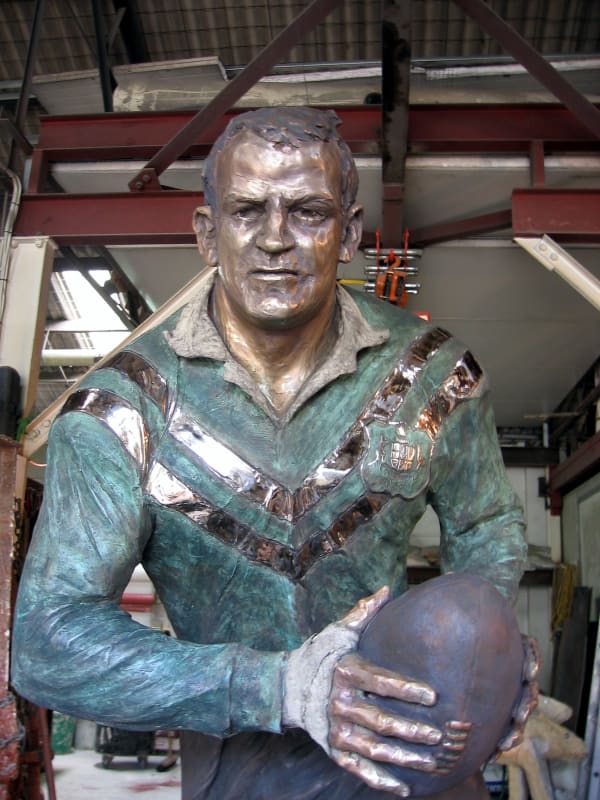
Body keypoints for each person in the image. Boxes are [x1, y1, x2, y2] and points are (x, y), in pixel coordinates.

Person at [11, 107, 536, 799]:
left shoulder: (433, 377)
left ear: (348, 234)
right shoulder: (122, 411)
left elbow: (486, 525)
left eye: (309, 212)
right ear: (208, 234)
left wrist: (487, 654)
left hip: (412, 759)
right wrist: (277, 687)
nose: (275, 240)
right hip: (241, 776)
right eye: (247, 210)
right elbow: (49, 641)